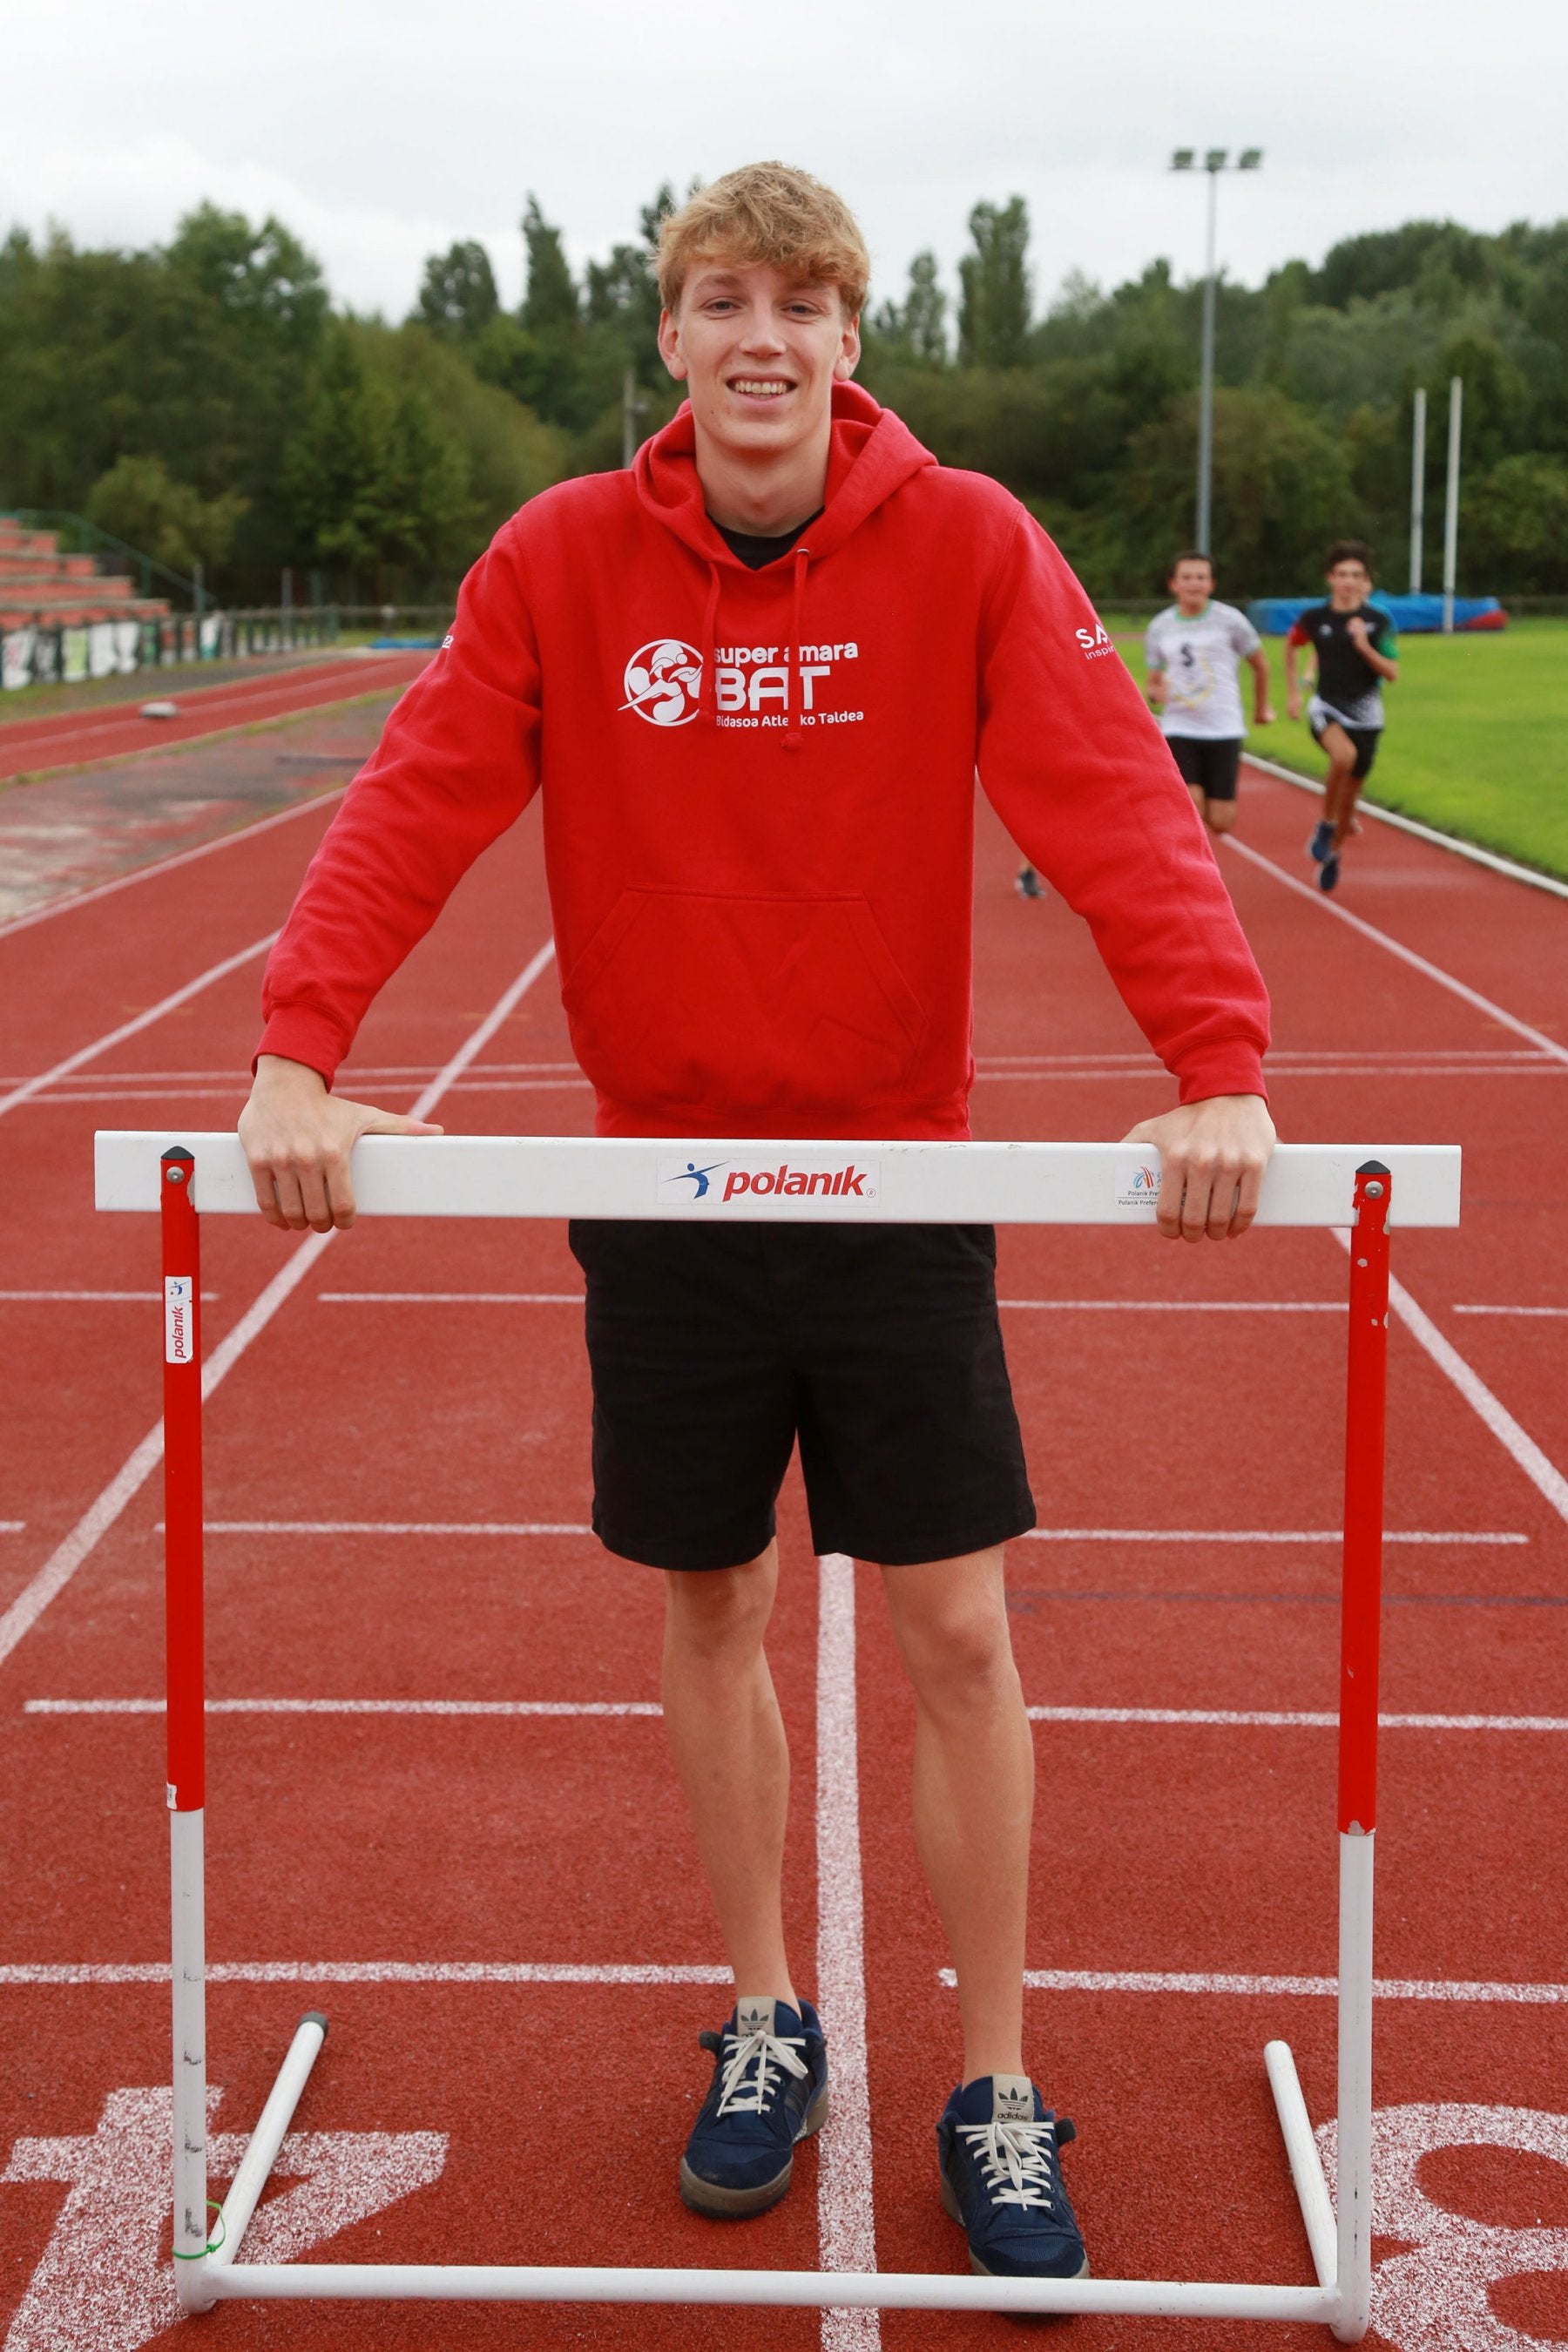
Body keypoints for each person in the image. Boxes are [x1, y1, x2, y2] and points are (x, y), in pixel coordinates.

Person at [237, 161, 1274, 2285]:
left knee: (959, 1628)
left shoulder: (971, 543)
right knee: (706, 1602)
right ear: (674, 337)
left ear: (853, 340)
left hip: (900, 1176)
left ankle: (990, 2078)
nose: (764, 336)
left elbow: (1105, 795)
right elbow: (422, 785)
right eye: (726, 298)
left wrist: (1220, 1056)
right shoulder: (561, 558)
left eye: (805, 301)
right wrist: (295, 1042)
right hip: (662, 1180)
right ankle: (769, 2016)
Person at [1284, 541, 1399, 892]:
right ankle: (1325, 823)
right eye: (1342, 574)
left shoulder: (1379, 622)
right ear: (1330, 578)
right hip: (1327, 707)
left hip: (1367, 716)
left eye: (1356, 575)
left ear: (1366, 581)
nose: (1348, 581)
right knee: (1342, 757)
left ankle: (1332, 853)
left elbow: (1392, 672)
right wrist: (1292, 692)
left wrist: (1364, 646)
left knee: (1350, 800)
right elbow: (1291, 646)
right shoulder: (1314, 619)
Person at [1144, 551, 1274, 835]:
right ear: (1173, 584)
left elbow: (1261, 665)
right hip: (1180, 727)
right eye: (1186, 577)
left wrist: (1261, 708)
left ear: (1212, 584)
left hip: (1223, 727)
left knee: (1221, 821)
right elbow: (1152, 683)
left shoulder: (1231, 621)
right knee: (1190, 804)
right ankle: (1191, 873)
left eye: (1201, 578)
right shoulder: (1159, 627)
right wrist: (1156, 693)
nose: (1194, 584)